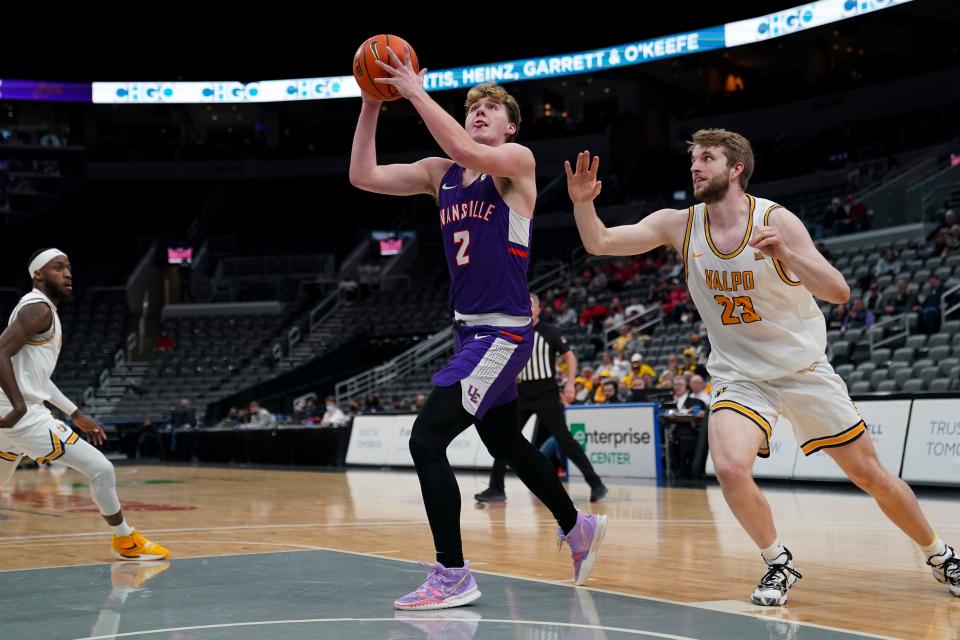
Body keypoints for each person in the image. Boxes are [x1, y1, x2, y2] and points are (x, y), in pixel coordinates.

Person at [565, 129, 958, 605]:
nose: (695, 166)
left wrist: (787, 256)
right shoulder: (678, 224)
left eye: (707, 158)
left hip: (802, 370)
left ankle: (939, 555)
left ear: (736, 169)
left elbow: (838, 291)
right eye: (693, 159)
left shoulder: (775, 219)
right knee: (730, 467)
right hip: (740, 377)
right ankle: (779, 562)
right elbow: (602, 242)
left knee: (872, 476)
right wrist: (583, 204)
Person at [350, 53, 605, 610]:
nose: (480, 114)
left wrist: (414, 92)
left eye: (491, 108)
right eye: (474, 109)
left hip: (505, 335)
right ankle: (576, 526)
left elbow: (468, 151)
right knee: (503, 439)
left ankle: (452, 574)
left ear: (511, 125)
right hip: (469, 334)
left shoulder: (515, 162)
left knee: (426, 440)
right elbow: (362, 175)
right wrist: (372, 103)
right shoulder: (440, 175)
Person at [0, 249, 169, 561]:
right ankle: (125, 539)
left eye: (68, 268)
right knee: (101, 469)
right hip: (19, 416)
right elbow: (0, 352)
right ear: (38, 275)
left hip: (6, 417)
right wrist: (19, 405)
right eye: (58, 268)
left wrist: (74, 413)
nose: (67, 274)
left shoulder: (37, 310)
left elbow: (35, 377)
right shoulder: (39, 309)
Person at [475, 293, 607, 503]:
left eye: (529, 305)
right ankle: (496, 487)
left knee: (565, 440)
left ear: (538, 309)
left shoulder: (549, 331)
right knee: (504, 440)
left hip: (546, 393)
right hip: (522, 393)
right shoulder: (514, 332)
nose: (525, 308)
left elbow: (569, 355)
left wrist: (571, 383)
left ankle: (596, 483)